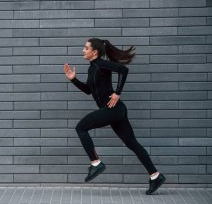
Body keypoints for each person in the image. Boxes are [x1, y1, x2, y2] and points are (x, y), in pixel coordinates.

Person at [63, 38, 165, 195]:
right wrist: (73, 79)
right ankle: (155, 176)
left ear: (94, 51)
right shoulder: (92, 69)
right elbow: (89, 91)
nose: (83, 50)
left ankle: (96, 163)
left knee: (81, 127)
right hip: (115, 111)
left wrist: (117, 93)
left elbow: (124, 70)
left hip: (113, 109)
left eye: (86, 48)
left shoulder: (101, 64)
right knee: (132, 143)